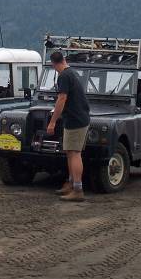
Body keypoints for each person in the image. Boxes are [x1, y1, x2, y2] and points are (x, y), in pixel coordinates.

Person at [46, 50, 91, 202]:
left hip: (76, 120)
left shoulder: (64, 76)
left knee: (75, 153)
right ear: (64, 60)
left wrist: (52, 121)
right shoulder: (71, 72)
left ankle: (78, 189)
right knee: (70, 152)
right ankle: (71, 183)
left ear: (53, 64)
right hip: (74, 119)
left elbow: (62, 98)